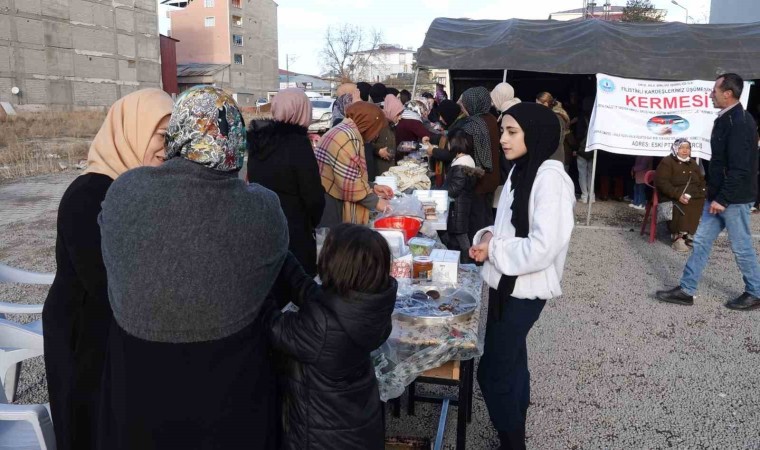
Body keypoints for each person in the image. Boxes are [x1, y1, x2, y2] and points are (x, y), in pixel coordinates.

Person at [97, 86, 289, 449]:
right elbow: (271, 272)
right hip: (230, 400)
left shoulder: (124, 191)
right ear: (235, 138)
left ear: (178, 130)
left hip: (137, 394)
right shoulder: (262, 208)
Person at [41, 89, 173, 450]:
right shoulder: (89, 193)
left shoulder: (138, 188)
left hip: (113, 332)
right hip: (84, 336)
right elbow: (105, 282)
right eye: (160, 136)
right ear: (131, 132)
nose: (166, 148)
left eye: (173, 138)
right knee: (88, 426)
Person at [469, 102, 575, 450]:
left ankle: (513, 442)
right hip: (504, 282)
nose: (502, 139)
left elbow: (543, 246)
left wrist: (494, 250)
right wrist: (486, 237)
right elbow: (507, 227)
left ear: (536, 133)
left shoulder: (551, 179)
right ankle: (515, 430)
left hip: (525, 289)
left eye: (512, 132)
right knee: (513, 363)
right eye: (502, 131)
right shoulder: (521, 170)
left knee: (492, 372)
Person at [267, 224, 397, 450]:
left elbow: (271, 325)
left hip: (321, 439)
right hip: (358, 428)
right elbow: (309, 292)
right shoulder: (371, 309)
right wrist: (281, 254)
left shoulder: (322, 328)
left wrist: (252, 279)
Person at [656, 73, 760, 311]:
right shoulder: (726, 119)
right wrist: (713, 194)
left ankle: (755, 292)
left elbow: (740, 168)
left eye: (714, 90)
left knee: (741, 246)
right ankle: (686, 290)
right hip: (719, 197)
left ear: (728, 94)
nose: (710, 94)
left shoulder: (740, 122)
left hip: (732, 199)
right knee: (701, 241)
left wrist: (722, 199)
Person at [247, 88, 325, 276]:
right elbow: (313, 197)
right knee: (297, 290)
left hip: (264, 228)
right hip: (294, 232)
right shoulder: (297, 144)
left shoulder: (259, 141)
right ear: (302, 111)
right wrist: (311, 223)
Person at [316, 110, 392, 227]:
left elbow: (348, 173)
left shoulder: (344, 130)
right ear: (369, 125)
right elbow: (350, 185)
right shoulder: (347, 138)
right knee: (336, 242)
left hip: (330, 195)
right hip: (331, 204)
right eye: (376, 130)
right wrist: (377, 202)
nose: (376, 136)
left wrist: (372, 187)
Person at [459, 87, 501, 237]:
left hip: (480, 178)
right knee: (485, 215)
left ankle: (478, 251)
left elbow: (464, 148)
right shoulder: (490, 118)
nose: (462, 106)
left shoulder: (474, 124)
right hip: (492, 175)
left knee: (477, 220)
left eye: (465, 103)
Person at [654, 139, 706, 252]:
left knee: (698, 200)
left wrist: (703, 192)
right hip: (672, 195)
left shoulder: (692, 163)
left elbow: (701, 181)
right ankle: (678, 237)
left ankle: (689, 233)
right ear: (676, 149)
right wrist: (678, 195)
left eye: (688, 148)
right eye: (682, 148)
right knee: (683, 204)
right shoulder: (667, 162)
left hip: (691, 194)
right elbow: (662, 183)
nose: (685, 151)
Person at [445, 129, 484, 262]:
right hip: (462, 205)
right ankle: (465, 260)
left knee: (462, 238)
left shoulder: (460, 166)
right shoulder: (466, 161)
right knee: (460, 237)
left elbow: (453, 189)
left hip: (458, 207)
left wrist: (437, 190)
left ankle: (467, 262)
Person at [345, 101, 390, 180]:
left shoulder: (361, 141)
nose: (376, 135)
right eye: (374, 129)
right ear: (364, 125)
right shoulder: (347, 145)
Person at [575, 97, 596, 203]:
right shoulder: (596, 117)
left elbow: (578, 135)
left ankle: (584, 196)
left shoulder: (581, 119)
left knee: (582, 174)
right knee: (591, 173)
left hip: (582, 149)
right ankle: (591, 196)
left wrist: (576, 147)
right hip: (593, 148)